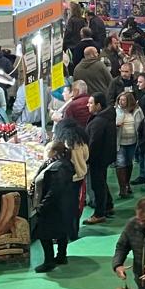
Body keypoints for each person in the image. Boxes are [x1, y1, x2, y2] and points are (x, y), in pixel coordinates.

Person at [30, 140, 75, 273]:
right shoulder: (63, 164)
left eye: (47, 150)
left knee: (44, 234)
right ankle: (61, 256)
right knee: (61, 232)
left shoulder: (58, 167)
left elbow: (55, 190)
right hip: (62, 205)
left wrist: (42, 205)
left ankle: (49, 261)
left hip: (53, 207)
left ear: (54, 152)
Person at [85, 93, 118, 221]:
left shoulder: (99, 122)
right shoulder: (107, 117)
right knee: (102, 182)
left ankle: (99, 214)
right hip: (105, 157)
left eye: (91, 103)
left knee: (97, 185)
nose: (88, 105)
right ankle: (108, 205)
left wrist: (87, 158)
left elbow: (94, 143)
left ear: (98, 105)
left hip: (97, 158)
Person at [114, 88, 141, 201]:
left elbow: (141, 124)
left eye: (123, 100)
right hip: (120, 143)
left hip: (132, 142)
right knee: (120, 164)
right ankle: (122, 188)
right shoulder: (115, 111)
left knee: (129, 163)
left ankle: (127, 183)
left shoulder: (137, 111)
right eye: (120, 100)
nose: (121, 102)